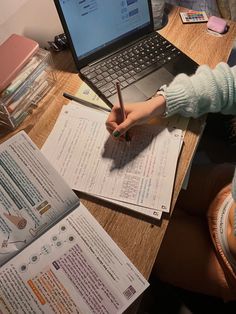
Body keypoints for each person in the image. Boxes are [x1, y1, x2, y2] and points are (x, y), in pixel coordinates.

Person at [106, 62, 236, 301]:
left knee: (133, 235)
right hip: (228, 194)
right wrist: (158, 103)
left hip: (229, 263)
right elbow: (228, 84)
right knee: (149, 196)